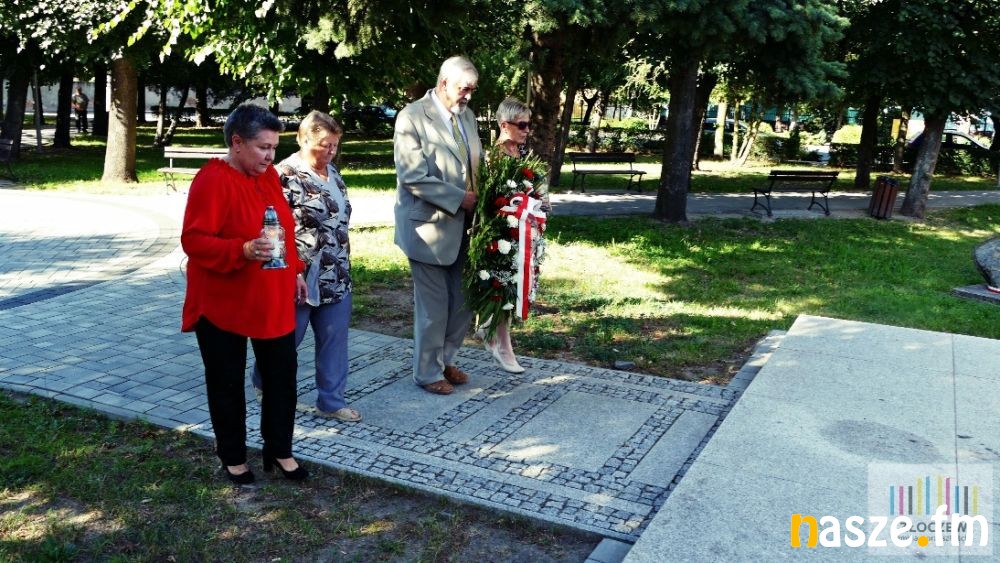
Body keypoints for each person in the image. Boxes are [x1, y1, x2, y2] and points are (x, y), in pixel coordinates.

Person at [181, 103, 310, 484]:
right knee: (226, 381)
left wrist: (295, 270)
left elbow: (282, 227)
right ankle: (233, 455)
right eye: (263, 147)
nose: (270, 157)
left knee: (282, 377)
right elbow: (194, 240)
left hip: (271, 297)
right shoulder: (212, 179)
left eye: (274, 148)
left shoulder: (267, 176)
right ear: (237, 142)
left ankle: (280, 449)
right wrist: (242, 250)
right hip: (224, 301)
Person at [251, 110, 361, 422]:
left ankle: (331, 401)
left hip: (336, 273)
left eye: (335, 145)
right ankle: (264, 380)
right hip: (298, 275)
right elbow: (271, 227)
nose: (331, 151)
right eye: (324, 145)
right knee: (288, 339)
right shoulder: (283, 175)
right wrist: (291, 270)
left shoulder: (333, 172)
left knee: (334, 340)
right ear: (302, 139)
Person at [393, 56, 482, 395]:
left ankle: (444, 360)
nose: (468, 97)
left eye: (472, 90)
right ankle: (427, 373)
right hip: (427, 229)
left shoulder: (467, 116)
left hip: (467, 226)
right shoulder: (412, 116)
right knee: (433, 307)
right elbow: (412, 176)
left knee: (462, 301)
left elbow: (474, 165)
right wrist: (459, 198)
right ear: (444, 83)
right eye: (464, 89)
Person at [473, 97, 547, 373]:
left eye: (529, 125)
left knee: (514, 287)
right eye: (522, 125)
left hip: (523, 235)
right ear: (505, 125)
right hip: (500, 234)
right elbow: (489, 200)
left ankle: (491, 330)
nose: (527, 130)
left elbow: (535, 191)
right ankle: (500, 344)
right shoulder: (493, 157)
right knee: (502, 287)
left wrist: (539, 203)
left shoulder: (522, 155)